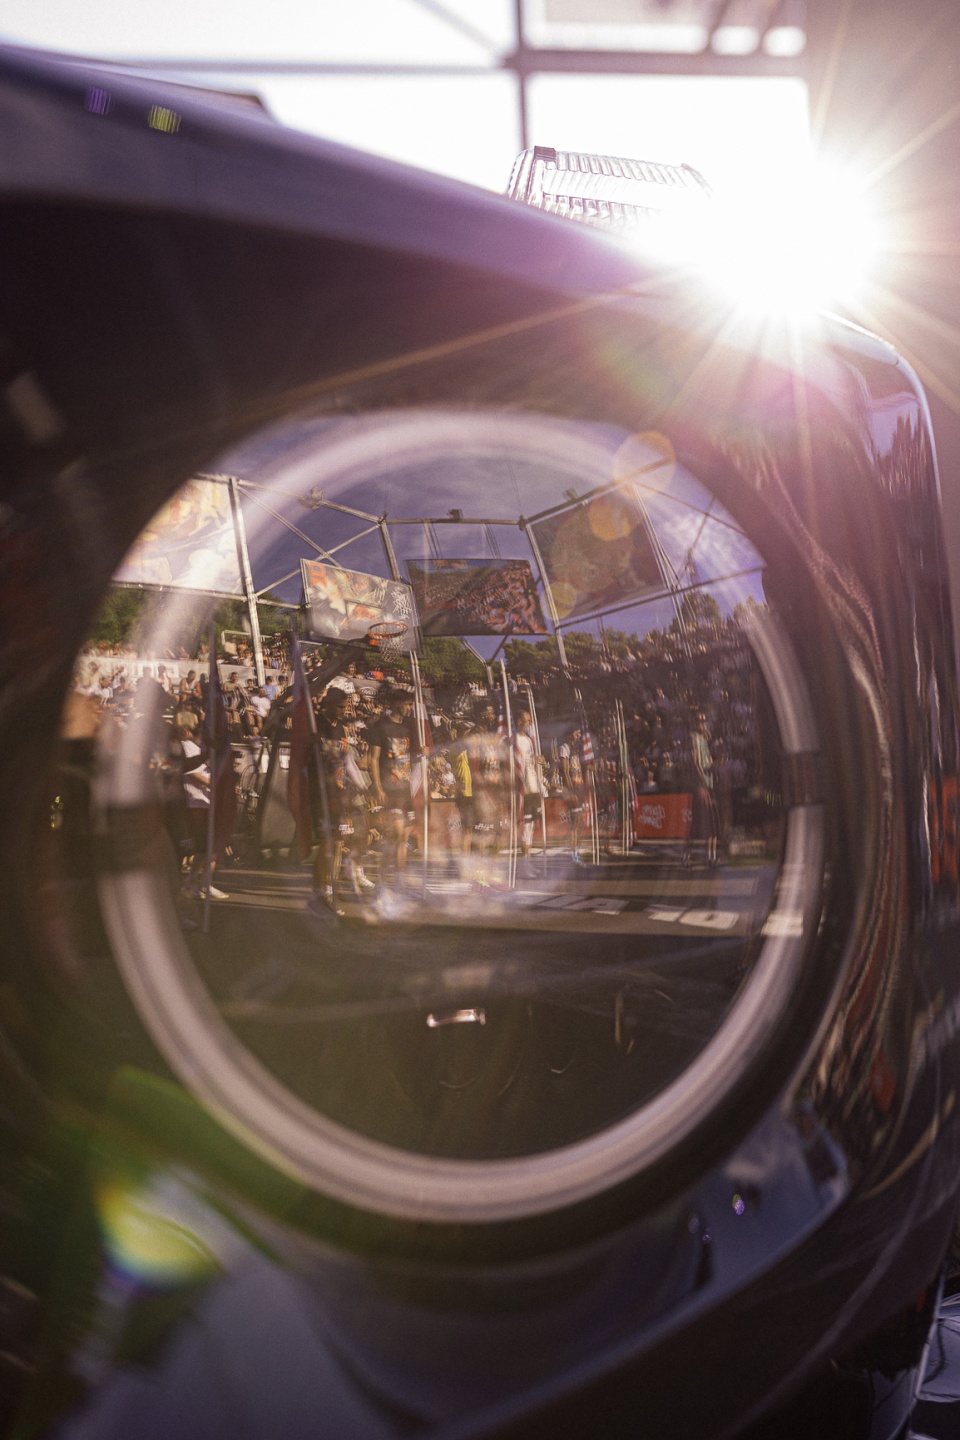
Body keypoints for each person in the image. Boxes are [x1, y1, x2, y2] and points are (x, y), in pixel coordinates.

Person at [368, 687, 416, 882]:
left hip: (405, 790)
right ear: (397, 704)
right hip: (390, 790)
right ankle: (382, 878)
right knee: (395, 835)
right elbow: (373, 760)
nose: (410, 708)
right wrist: (378, 787)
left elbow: (412, 755)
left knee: (403, 838)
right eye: (407, 704)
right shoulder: (380, 726)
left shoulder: (408, 727)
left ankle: (399, 880)